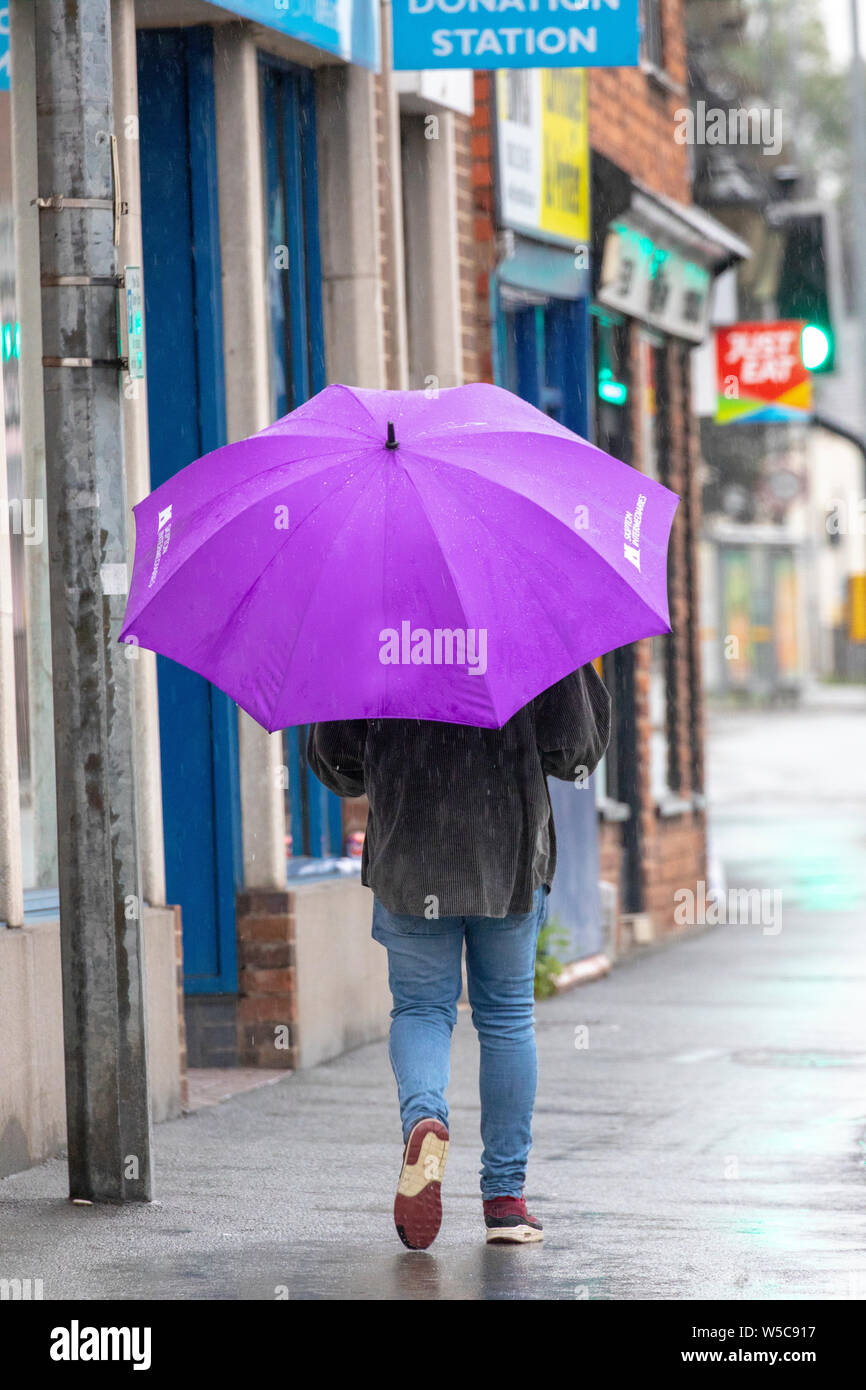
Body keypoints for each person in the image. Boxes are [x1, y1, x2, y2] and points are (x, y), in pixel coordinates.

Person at [307, 663, 611, 1249]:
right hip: (508, 850)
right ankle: (505, 1202)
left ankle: (426, 1120)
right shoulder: (524, 609)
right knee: (504, 1019)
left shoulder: (375, 615)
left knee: (422, 1009)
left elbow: (337, 763)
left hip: (410, 847)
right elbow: (574, 749)